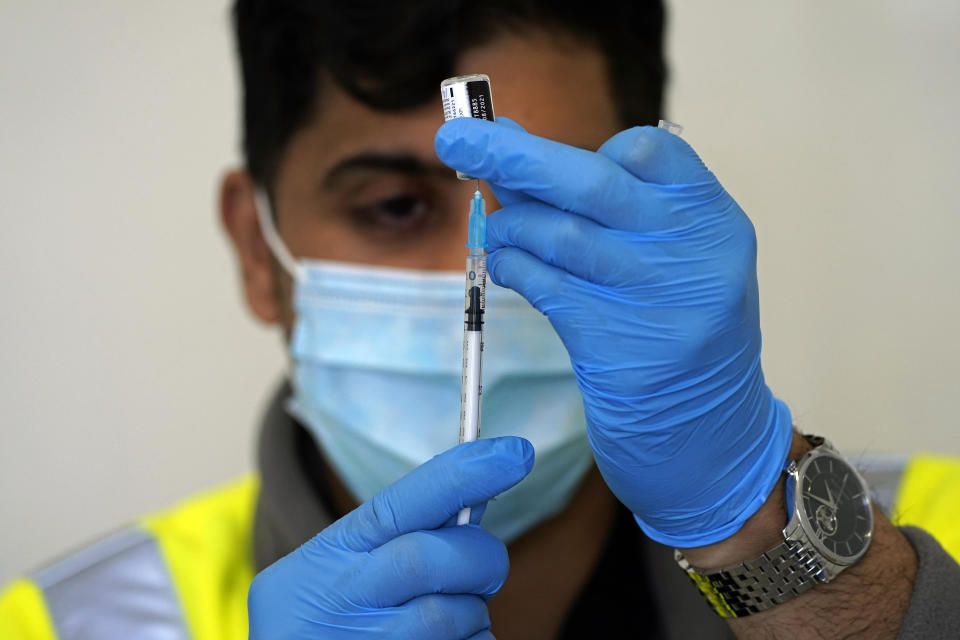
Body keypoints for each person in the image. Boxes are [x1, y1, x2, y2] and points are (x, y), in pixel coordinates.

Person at [2, 1, 959, 638]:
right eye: (391, 207)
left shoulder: (927, 537)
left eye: (551, 203)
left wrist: (754, 521)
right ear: (259, 252)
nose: (486, 262)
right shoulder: (75, 622)